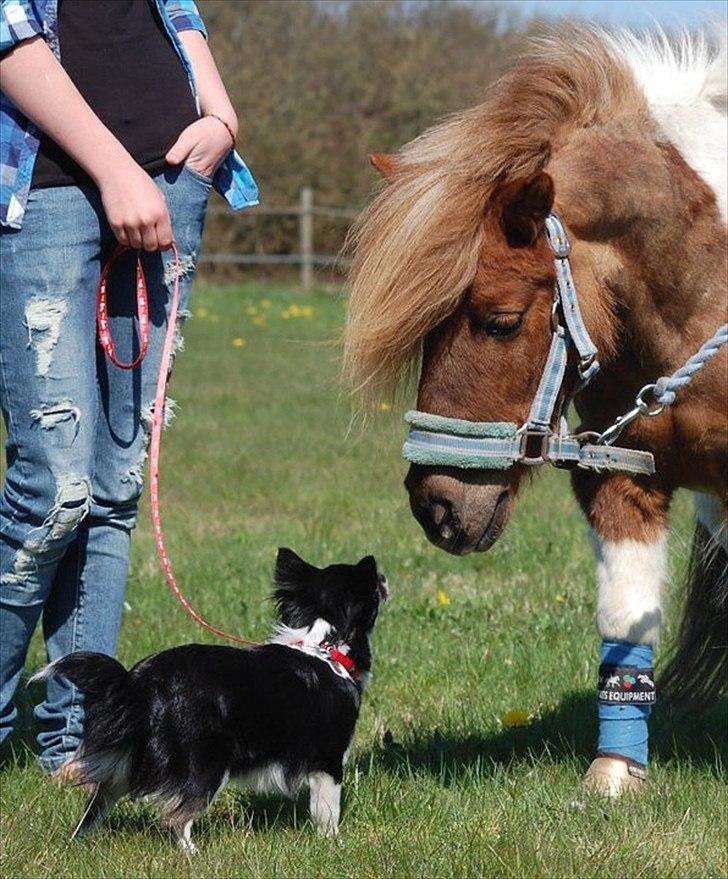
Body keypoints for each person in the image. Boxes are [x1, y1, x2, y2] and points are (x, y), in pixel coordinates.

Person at [0, 0, 258, 775]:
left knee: (113, 487)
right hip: (45, 189)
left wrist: (220, 113)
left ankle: (77, 741)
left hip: (172, 175)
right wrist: (115, 170)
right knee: (52, 489)